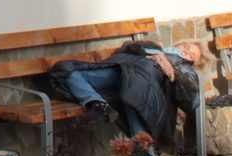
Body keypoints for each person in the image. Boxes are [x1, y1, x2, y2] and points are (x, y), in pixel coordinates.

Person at [49, 40, 206, 141]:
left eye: (191, 55)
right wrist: (153, 52)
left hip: (140, 84)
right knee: (68, 72)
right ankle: (97, 103)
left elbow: (192, 99)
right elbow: (127, 47)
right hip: (120, 72)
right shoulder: (156, 47)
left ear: (193, 63)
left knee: (132, 98)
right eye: (186, 47)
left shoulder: (185, 68)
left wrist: (173, 74)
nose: (186, 52)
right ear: (179, 44)